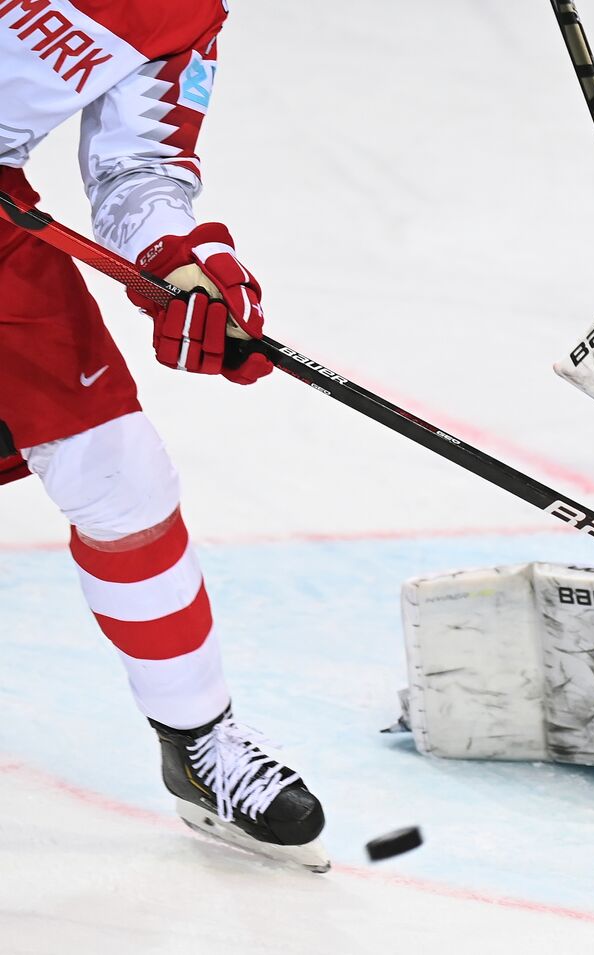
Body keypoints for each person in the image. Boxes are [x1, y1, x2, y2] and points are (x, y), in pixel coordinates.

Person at [1, 0, 326, 869]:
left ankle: (199, 741)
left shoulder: (181, 11)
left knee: (121, 477)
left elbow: (137, 166)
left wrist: (183, 266)